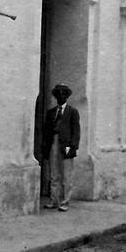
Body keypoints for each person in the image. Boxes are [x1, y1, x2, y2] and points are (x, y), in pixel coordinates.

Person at [43, 84, 80, 212]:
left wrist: (73, 147)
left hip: (67, 146)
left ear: (67, 96)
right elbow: (46, 131)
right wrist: (46, 147)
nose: (61, 96)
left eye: (64, 94)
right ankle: (54, 200)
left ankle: (65, 201)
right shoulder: (51, 113)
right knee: (54, 173)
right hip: (53, 143)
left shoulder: (72, 112)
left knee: (67, 174)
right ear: (55, 96)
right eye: (58, 94)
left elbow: (76, 131)